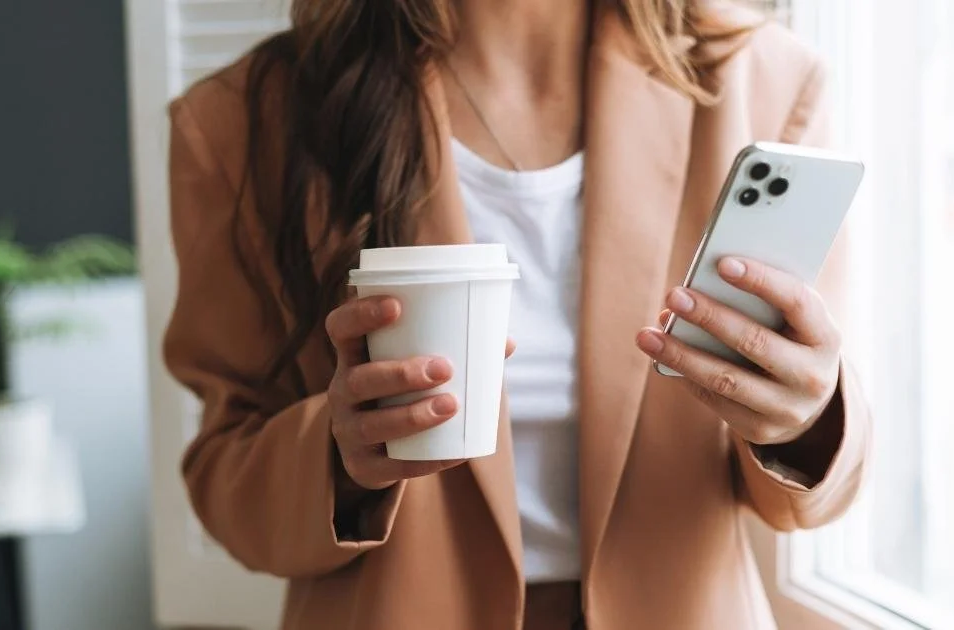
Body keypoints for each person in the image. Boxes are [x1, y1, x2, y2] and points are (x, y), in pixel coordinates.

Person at [163, 1, 870, 628]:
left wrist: (806, 420)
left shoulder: (762, 80)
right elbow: (226, 477)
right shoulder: (242, 124)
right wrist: (339, 456)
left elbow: (812, 489)